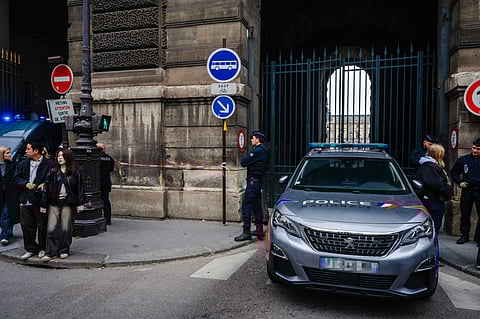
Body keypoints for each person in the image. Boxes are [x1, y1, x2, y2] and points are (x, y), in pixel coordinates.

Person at [40, 148, 84, 261]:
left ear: (68, 158)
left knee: (66, 228)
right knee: (52, 228)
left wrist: (80, 203)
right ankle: (51, 252)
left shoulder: (75, 172)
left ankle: (64, 250)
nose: (60, 158)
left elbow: (80, 188)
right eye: (58, 155)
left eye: (62, 156)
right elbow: (46, 188)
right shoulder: (53, 171)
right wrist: (43, 205)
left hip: (68, 203)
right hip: (54, 203)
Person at [14, 140, 54, 260]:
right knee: (26, 225)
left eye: (28, 149)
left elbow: (53, 179)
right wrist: (25, 183)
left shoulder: (49, 164)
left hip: (40, 199)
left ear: (36, 151)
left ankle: (42, 248)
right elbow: (16, 178)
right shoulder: (22, 164)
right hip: (25, 198)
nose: (26, 151)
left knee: (42, 225)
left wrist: (45, 184)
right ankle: (30, 248)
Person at [234, 131, 268, 242]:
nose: (251, 140)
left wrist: (248, 159)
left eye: (252, 138)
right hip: (257, 181)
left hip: (253, 181)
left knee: (246, 205)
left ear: (258, 139)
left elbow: (244, 162)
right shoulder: (263, 150)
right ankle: (259, 231)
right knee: (257, 206)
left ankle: (246, 232)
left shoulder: (258, 151)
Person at [415, 144, 453, 236]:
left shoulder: (428, 166)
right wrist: (449, 189)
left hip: (431, 200)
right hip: (432, 201)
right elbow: (437, 185)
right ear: (438, 155)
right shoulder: (430, 168)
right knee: (433, 229)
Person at [451, 138, 480, 245]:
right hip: (467, 190)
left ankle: (478, 237)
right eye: (474, 148)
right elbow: (454, 172)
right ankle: (465, 235)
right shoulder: (464, 160)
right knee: (465, 214)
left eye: (478, 149)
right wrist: (460, 182)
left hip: (479, 191)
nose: (475, 151)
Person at [0, 146, 19, 245]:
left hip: (10, 193)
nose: (9, 155)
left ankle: (4, 235)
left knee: (6, 213)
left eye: (9, 152)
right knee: (3, 213)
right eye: (7, 153)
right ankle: (8, 232)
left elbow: (16, 178)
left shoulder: (13, 165)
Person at [97, 142, 114, 225]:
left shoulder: (96, 158)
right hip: (106, 181)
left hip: (97, 182)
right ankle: (108, 219)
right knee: (106, 200)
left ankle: (98, 217)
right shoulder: (109, 158)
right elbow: (111, 169)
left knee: (96, 200)